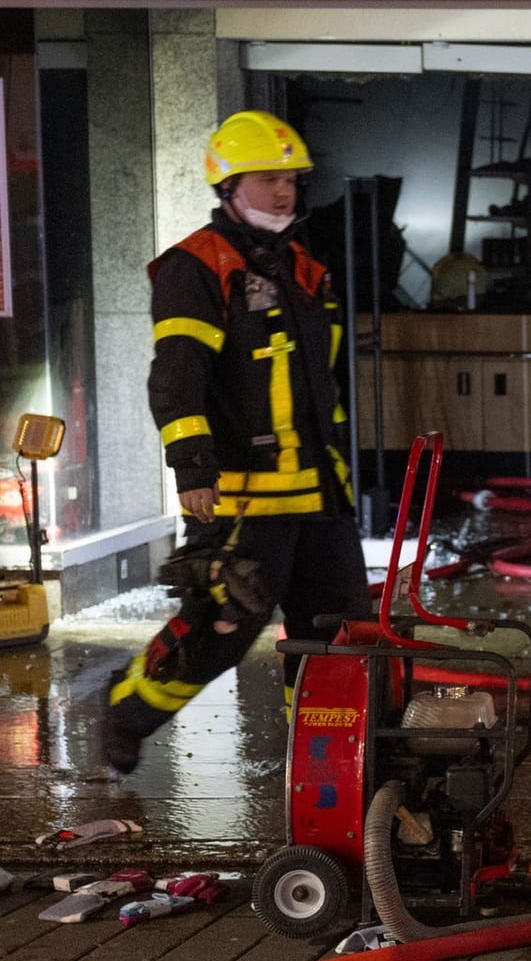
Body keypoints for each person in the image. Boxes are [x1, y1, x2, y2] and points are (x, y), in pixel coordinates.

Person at [102, 111, 368, 774]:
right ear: (228, 185)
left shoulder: (304, 269)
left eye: (290, 179)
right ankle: (127, 713)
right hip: (245, 496)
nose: (284, 192)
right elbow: (177, 379)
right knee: (221, 633)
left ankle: (321, 763)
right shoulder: (195, 267)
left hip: (318, 495)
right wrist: (192, 469)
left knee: (337, 638)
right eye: (267, 178)